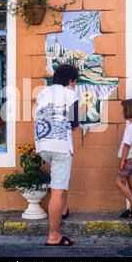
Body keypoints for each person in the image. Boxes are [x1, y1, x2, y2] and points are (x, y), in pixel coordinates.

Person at [34, 64, 85, 246]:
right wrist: (82, 114)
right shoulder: (70, 93)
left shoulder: (43, 92)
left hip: (42, 145)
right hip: (60, 145)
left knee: (60, 181)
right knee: (57, 189)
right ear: (71, 81)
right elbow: (73, 124)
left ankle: (63, 209)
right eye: (75, 82)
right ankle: (54, 235)